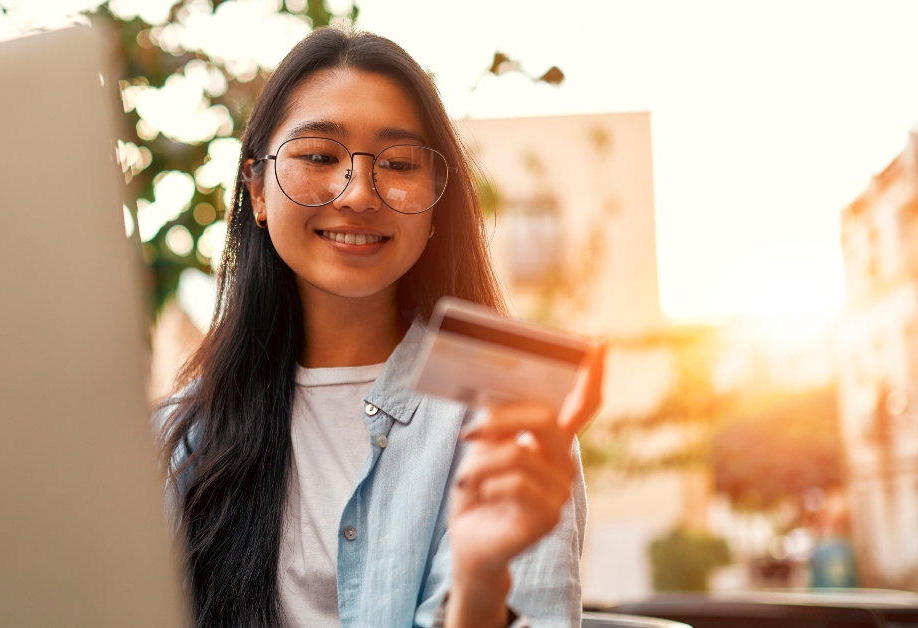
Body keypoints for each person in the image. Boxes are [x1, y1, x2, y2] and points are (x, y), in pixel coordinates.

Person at [156, 26, 606, 628]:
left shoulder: (507, 423)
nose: (359, 194)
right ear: (257, 189)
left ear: (436, 204)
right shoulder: (181, 436)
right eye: (319, 156)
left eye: (398, 164)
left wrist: (477, 589)